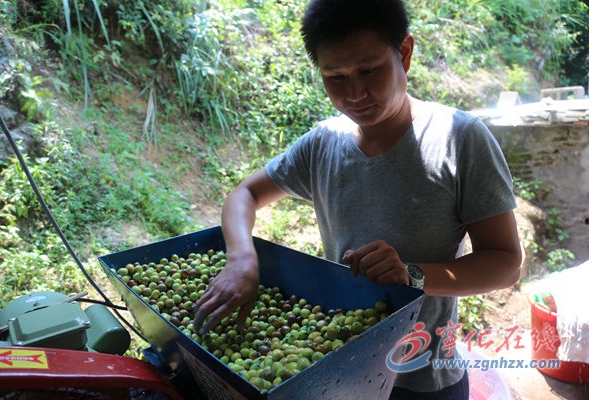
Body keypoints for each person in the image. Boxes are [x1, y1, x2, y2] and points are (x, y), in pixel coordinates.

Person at [194, 0, 523, 398]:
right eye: (335, 77)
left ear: (404, 53)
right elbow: (243, 195)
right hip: (340, 371)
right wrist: (241, 260)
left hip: (419, 377)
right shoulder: (322, 145)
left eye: (369, 70)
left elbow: (506, 263)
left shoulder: (458, 139)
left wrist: (412, 275)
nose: (354, 94)